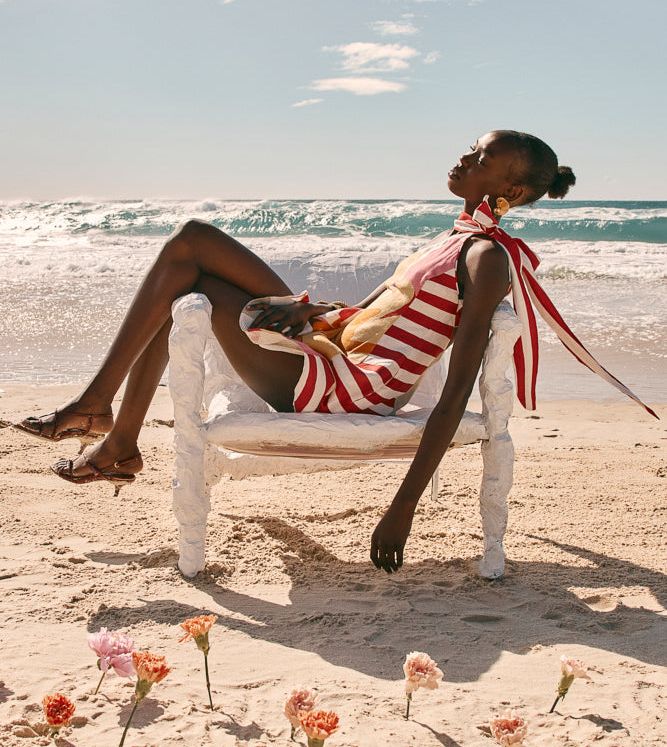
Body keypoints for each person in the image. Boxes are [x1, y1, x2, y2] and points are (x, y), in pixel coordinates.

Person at [14, 129, 652, 574]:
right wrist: (311, 312)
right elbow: (380, 319)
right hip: (332, 353)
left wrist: (401, 510)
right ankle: (115, 434)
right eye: (470, 147)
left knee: (192, 246)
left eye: (480, 157)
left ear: (506, 188)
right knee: (188, 261)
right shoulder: (455, 237)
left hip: (347, 391)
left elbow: (457, 389)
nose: (463, 157)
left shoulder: (485, 258)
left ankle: (106, 420)